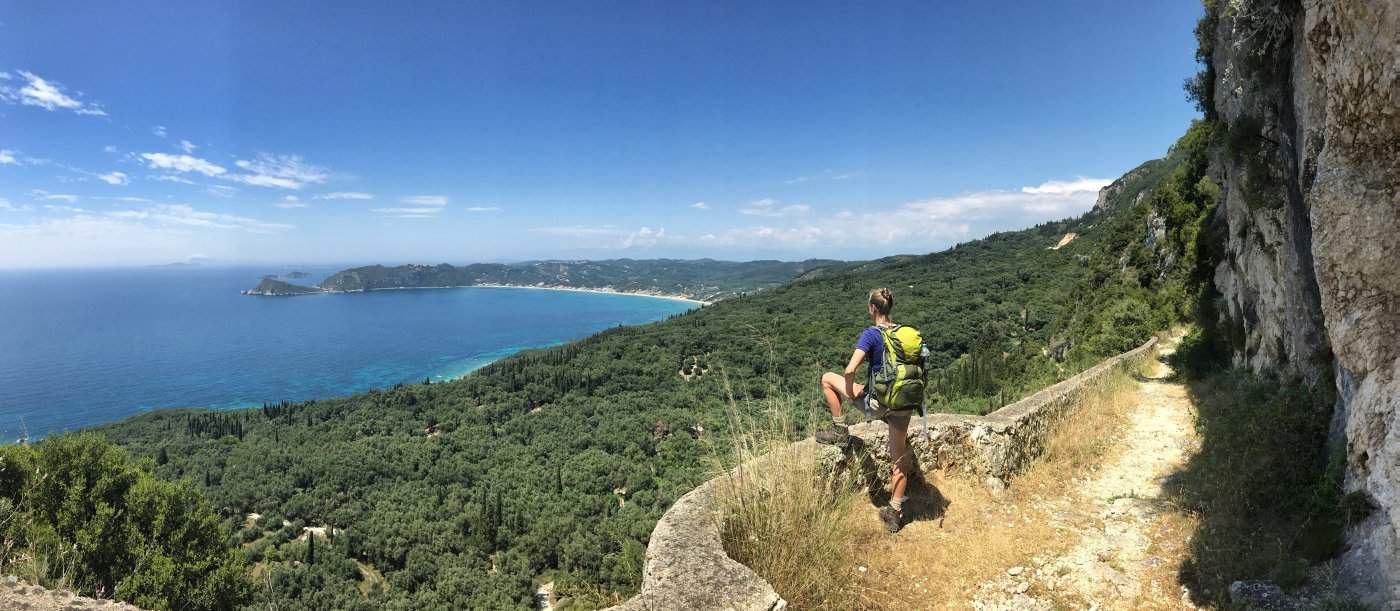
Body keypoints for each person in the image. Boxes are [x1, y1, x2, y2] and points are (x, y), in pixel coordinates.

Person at [817, 287, 913, 533]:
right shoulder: (904, 333)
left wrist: (850, 391)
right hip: (903, 403)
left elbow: (849, 370)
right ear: (889, 308)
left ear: (872, 308)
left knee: (828, 379)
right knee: (899, 459)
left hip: (878, 404)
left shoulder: (871, 334)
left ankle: (840, 430)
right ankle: (894, 513)